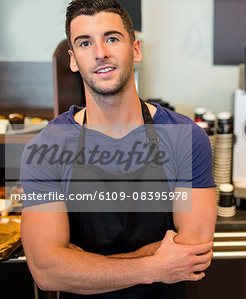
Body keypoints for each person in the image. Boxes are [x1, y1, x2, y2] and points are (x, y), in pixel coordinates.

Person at [19, 0, 217, 298]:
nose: (100, 53)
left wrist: (78, 260)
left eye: (112, 38)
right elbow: (47, 270)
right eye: (85, 43)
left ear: (135, 49)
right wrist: (155, 265)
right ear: (73, 60)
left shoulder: (185, 137)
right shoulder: (47, 147)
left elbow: (192, 253)